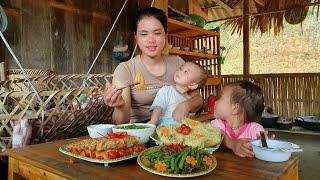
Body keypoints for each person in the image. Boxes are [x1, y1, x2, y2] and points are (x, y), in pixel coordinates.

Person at [100, 7, 203, 124]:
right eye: (144, 34)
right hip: (141, 131)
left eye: (157, 33)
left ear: (165, 35)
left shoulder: (178, 63)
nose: (151, 40)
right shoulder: (125, 69)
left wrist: (186, 105)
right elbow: (121, 123)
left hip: (173, 127)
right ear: (136, 37)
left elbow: (198, 100)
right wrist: (120, 106)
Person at [211, 80, 265, 157]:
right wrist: (233, 144)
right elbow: (219, 134)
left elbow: (264, 142)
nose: (215, 101)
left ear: (235, 108)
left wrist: (265, 143)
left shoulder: (255, 128)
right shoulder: (217, 124)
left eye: (220, 97)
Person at [148, 62, 208, 126]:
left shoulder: (189, 100)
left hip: (179, 132)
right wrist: (153, 121)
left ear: (192, 85)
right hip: (162, 129)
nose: (180, 71)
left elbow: (188, 120)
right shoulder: (166, 90)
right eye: (181, 68)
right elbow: (158, 106)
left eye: (186, 72)